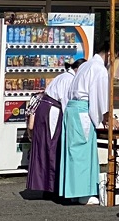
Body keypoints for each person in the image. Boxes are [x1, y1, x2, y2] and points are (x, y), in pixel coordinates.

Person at [61, 41, 116, 205]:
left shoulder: (86, 65)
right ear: (109, 53)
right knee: (82, 154)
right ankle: (83, 193)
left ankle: (72, 191)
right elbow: (100, 96)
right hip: (82, 111)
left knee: (72, 153)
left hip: (72, 110)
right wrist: (107, 115)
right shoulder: (99, 69)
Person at [25, 58, 83, 198]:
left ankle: (46, 186)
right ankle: (52, 187)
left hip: (45, 109)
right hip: (53, 111)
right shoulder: (69, 80)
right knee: (52, 147)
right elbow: (65, 102)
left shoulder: (63, 76)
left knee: (44, 146)